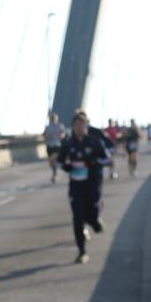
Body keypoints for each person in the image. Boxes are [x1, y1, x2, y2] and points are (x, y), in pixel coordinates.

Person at [57, 113, 110, 263]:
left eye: (82, 125)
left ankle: (95, 222)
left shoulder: (95, 142)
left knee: (92, 214)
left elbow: (106, 159)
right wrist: (67, 166)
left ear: (87, 126)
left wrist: (93, 162)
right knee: (77, 217)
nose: (80, 127)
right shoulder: (68, 144)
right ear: (73, 127)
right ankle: (82, 252)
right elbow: (60, 161)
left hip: (92, 183)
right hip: (76, 185)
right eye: (77, 125)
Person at [43, 112, 66, 183]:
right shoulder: (47, 127)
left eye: (54, 118)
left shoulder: (60, 126)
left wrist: (61, 135)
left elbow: (63, 133)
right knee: (51, 162)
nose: (53, 119)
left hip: (57, 145)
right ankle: (55, 172)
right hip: (49, 146)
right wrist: (46, 136)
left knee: (54, 160)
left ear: (57, 119)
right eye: (51, 118)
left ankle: (55, 175)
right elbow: (44, 135)